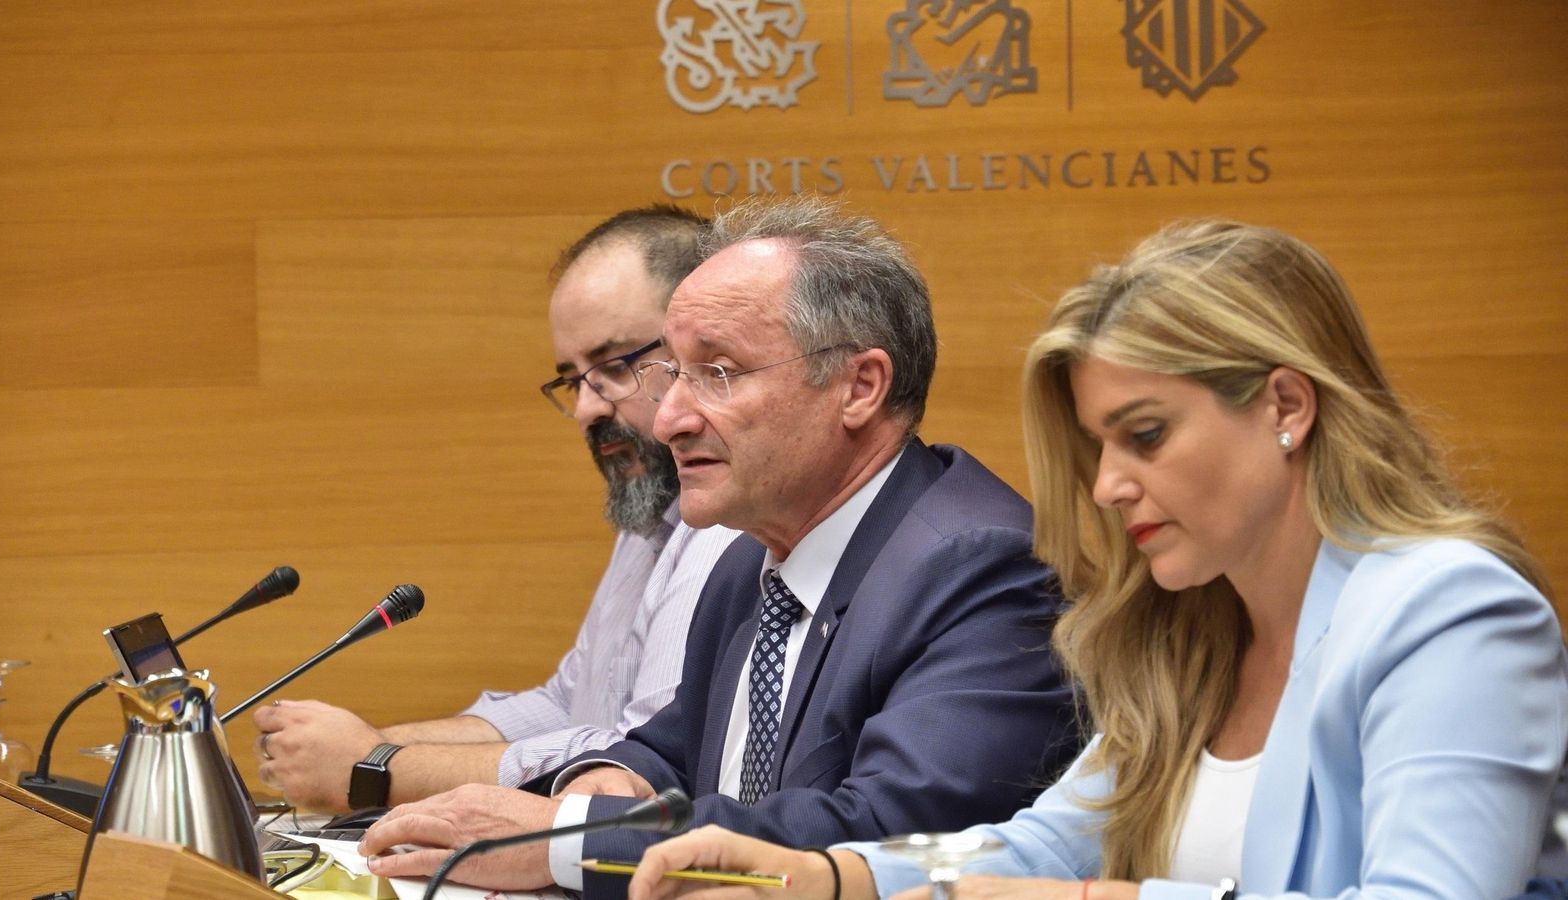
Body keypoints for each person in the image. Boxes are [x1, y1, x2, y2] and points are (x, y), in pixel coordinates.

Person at [624, 220, 1568, 900]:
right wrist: (836, 877)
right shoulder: (1191, 629)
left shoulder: (1453, 613)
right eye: (1099, 448)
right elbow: (1041, 845)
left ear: (1286, 406)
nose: (1110, 487)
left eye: (1145, 436)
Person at [358, 197, 1080, 896]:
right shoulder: (750, 557)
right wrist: (607, 779)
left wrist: (565, 838)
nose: (669, 418)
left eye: (719, 373)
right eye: (674, 372)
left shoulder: (983, 565)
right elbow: (672, 750)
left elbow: (885, 834)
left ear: (860, 386)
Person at [251, 205, 740, 811]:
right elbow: (568, 704)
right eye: (571, 380)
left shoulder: (731, 526)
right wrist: (369, 744)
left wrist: (377, 767)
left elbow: (641, 763)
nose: (587, 409)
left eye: (614, 367)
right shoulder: (649, 511)